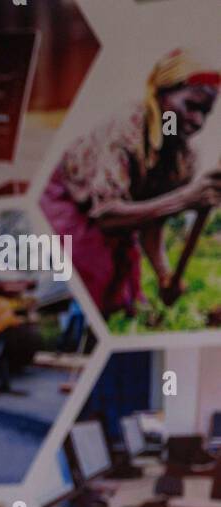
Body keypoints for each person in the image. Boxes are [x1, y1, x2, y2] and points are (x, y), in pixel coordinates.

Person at [40, 49, 221, 318]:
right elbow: (105, 216)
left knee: (125, 306)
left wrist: (164, 275)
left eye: (205, 112)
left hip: (122, 221)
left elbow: (153, 217)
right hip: (72, 210)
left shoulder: (181, 153)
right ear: (161, 94)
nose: (198, 121)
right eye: (191, 106)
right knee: (90, 292)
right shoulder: (126, 129)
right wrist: (185, 199)